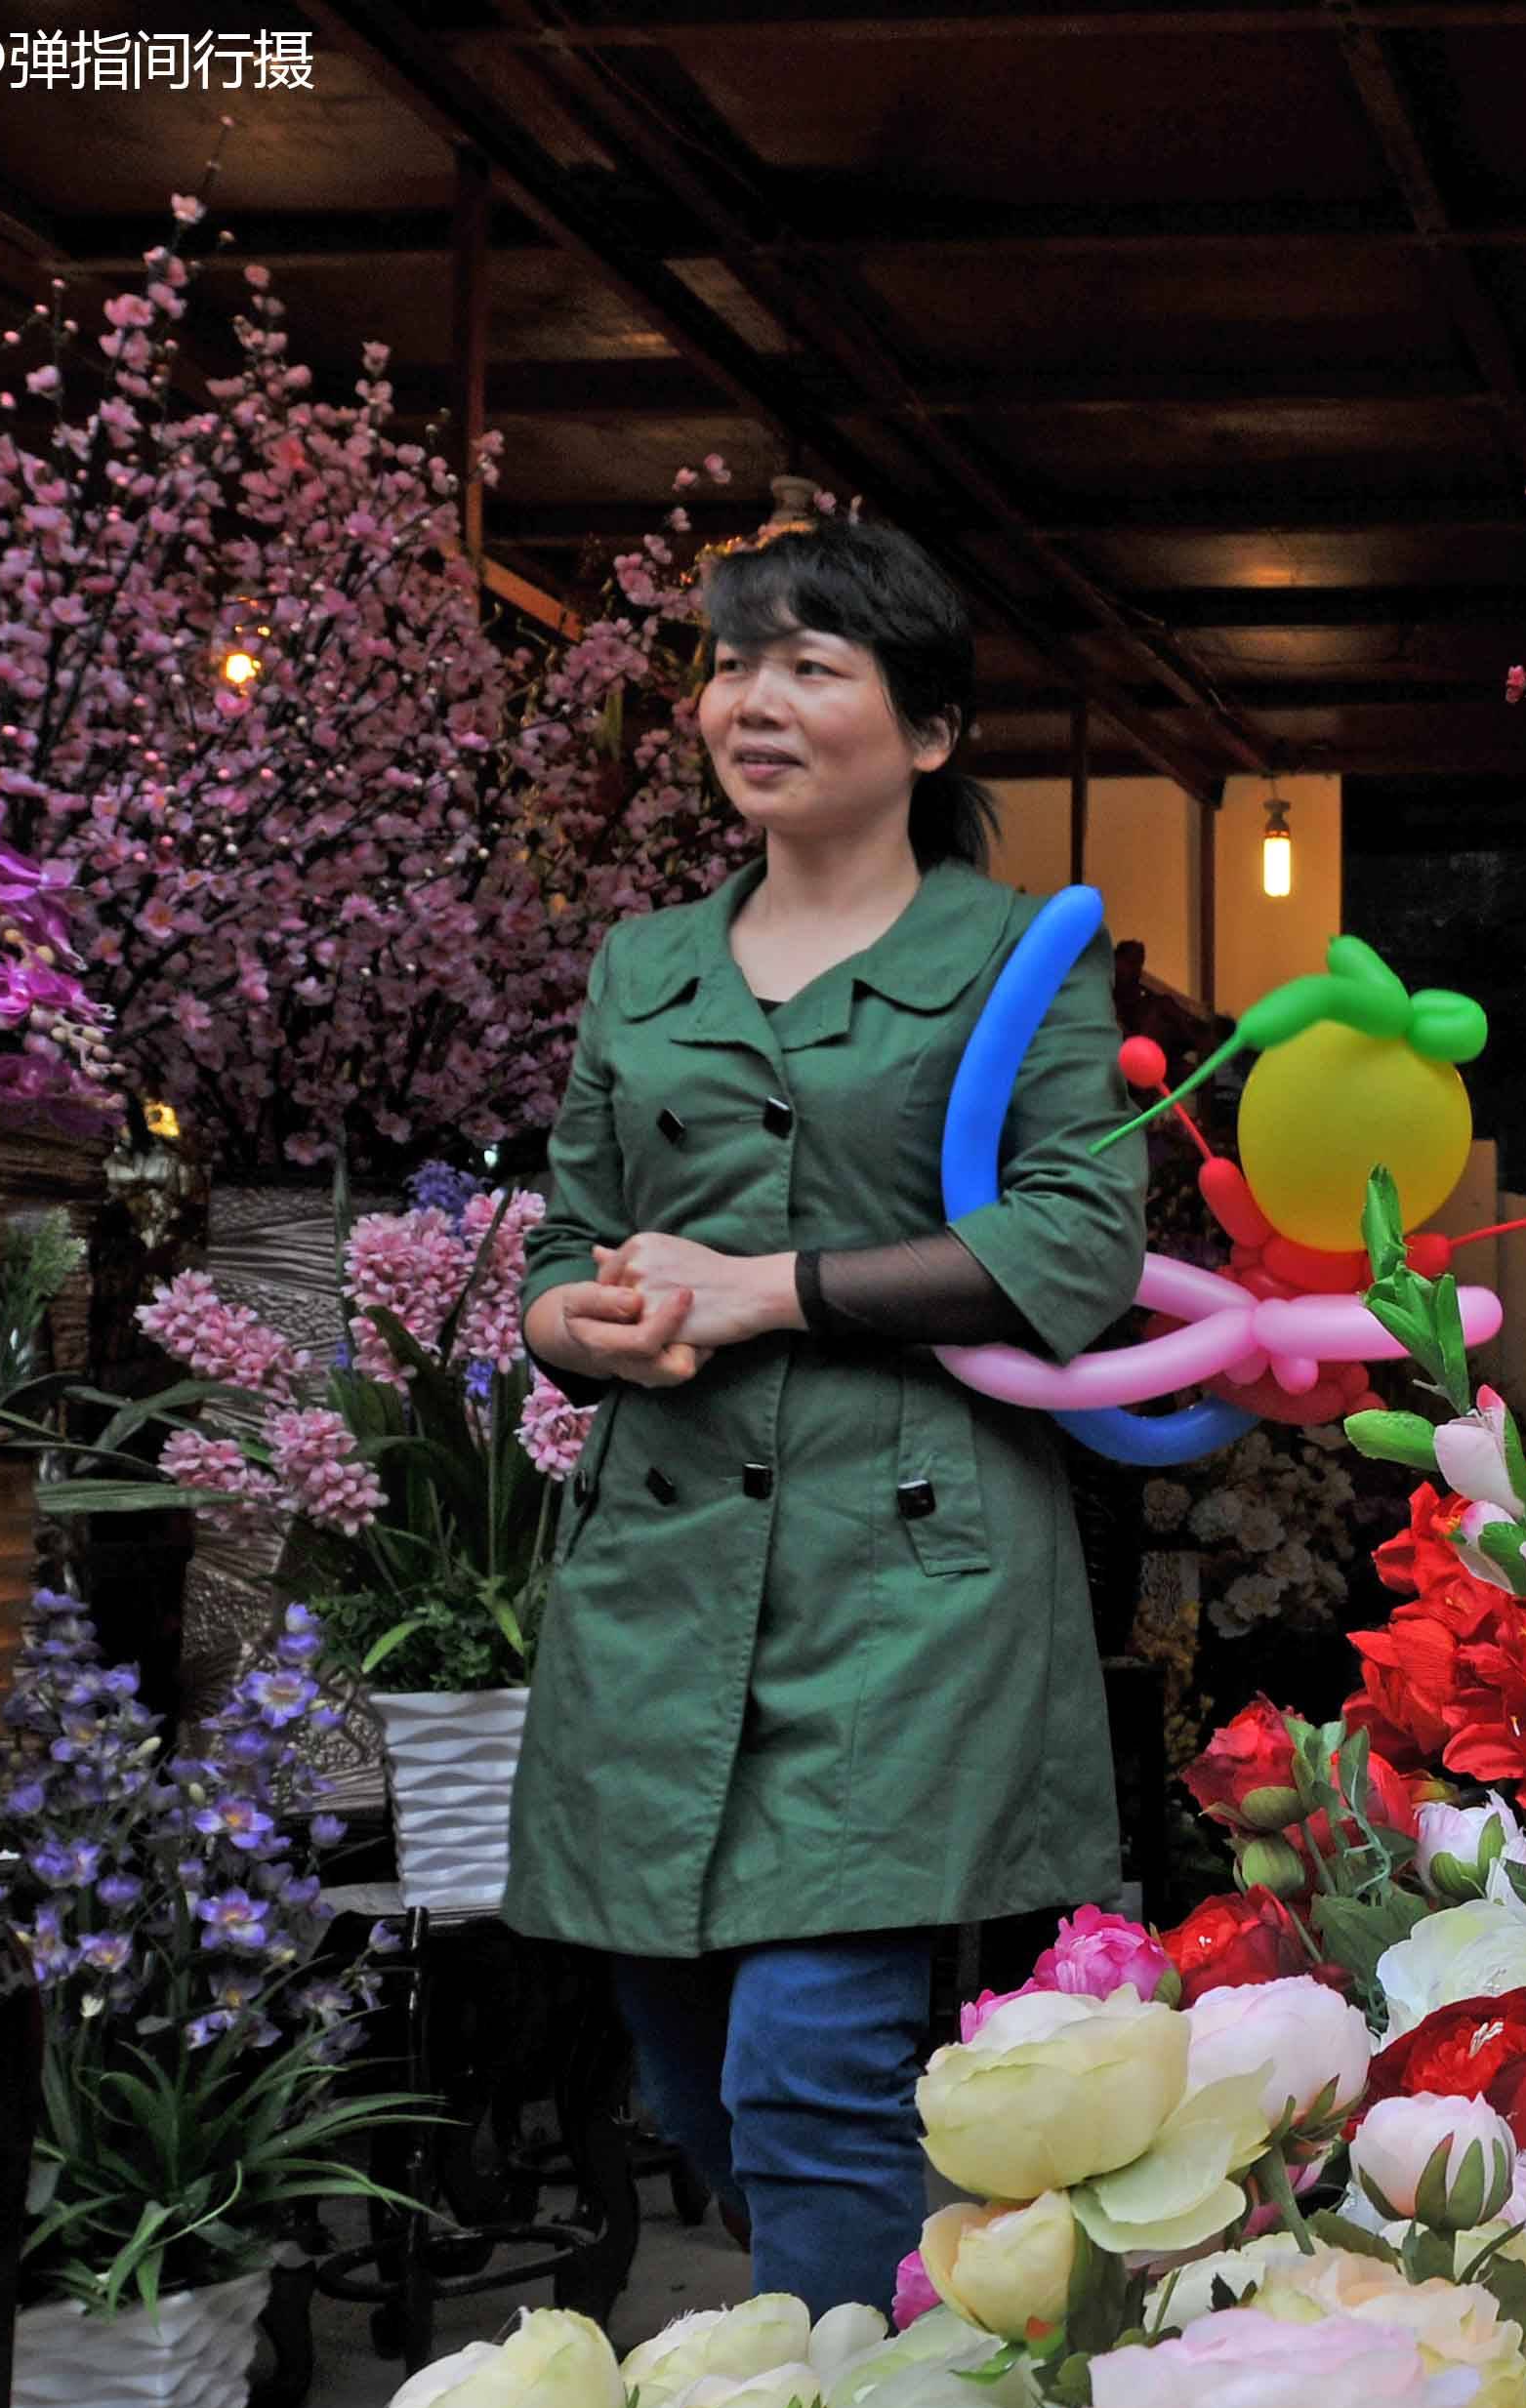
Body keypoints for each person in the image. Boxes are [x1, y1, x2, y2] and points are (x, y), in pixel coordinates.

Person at [511, 513, 1145, 2311]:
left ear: (929, 733)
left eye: (810, 665)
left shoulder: (1023, 954)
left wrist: (769, 1287)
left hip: (910, 1573)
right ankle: (917, 2315)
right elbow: (565, 1231)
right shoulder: (645, 965)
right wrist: (586, 1317)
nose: (750, 702)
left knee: (808, 2052)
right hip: (661, 1569)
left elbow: (1081, 1241)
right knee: (690, 2065)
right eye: (731, 664)